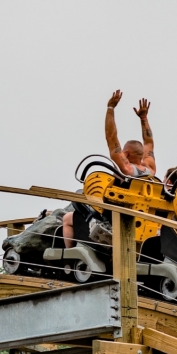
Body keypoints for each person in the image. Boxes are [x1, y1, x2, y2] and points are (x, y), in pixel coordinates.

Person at [64, 91, 156, 248]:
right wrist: (144, 118)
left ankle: (68, 258)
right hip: (143, 220)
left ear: (125, 153)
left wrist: (110, 108)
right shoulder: (150, 170)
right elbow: (149, 141)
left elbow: (111, 137)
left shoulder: (126, 169)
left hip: (117, 219)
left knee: (67, 218)